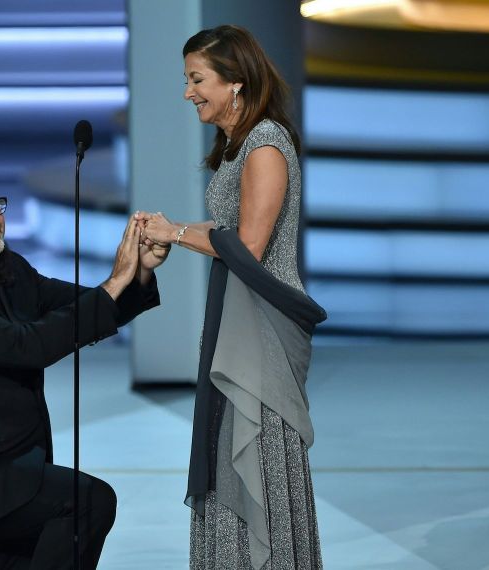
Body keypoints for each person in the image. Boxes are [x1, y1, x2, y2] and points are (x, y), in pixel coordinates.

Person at [0, 166, 168, 569]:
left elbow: (88, 306)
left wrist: (139, 271)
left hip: (14, 469)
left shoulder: (11, 271)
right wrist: (114, 283)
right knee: (87, 502)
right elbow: (25, 346)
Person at [138, 25, 328, 570]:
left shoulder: (266, 145)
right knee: (230, 450)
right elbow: (230, 229)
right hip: (236, 319)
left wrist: (175, 233)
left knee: (254, 452)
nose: (187, 92)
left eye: (197, 79)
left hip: (262, 330)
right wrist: (169, 228)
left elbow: (247, 246)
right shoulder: (238, 147)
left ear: (236, 83)